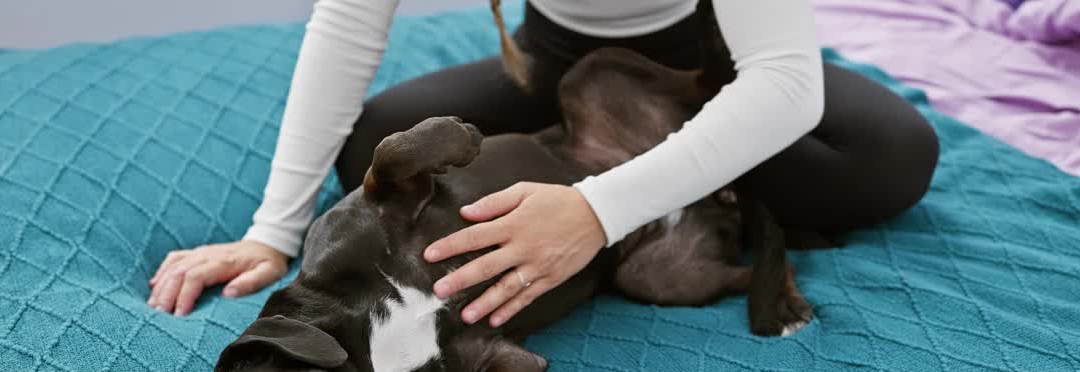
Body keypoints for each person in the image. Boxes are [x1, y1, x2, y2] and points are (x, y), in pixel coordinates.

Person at [148, 0, 939, 324]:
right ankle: (682, 177)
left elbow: (788, 81)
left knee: (892, 156)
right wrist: (271, 233)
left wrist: (597, 211)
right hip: (555, 63)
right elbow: (351, 19)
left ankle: (684, 176)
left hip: (707, 65)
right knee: (379, 147)